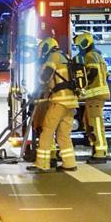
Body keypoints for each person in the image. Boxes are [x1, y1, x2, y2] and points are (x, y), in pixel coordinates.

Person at [27, 37, 78, 173]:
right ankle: (69, 163)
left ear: (46, 47)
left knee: (47, 132)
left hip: (59, 101)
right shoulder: (65, 57)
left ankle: (42, 164)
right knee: (63, 134)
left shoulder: (53, 58)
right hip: (71, 102)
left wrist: (39, 75)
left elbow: (44, 77)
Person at [74, 32, 110, 163]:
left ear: (85, 44)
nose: (79, 49)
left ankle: (100, 153)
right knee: (89, 123)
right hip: (94, 96)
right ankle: (96, 149)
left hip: (95, 96)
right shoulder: (98, 55)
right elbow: (107, 74)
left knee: (96, 124)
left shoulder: (90, 56)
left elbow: (92, 73)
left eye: (79, 46)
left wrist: (80, 84)